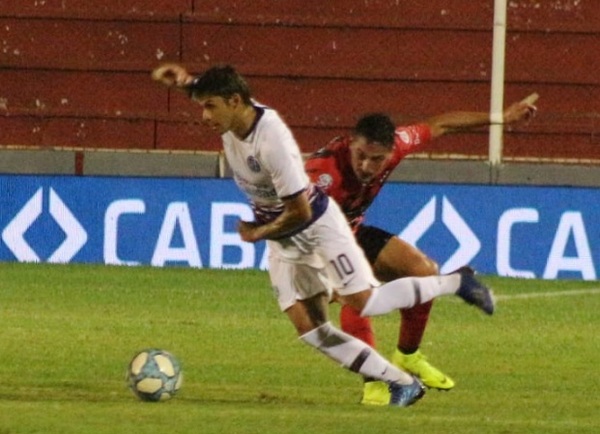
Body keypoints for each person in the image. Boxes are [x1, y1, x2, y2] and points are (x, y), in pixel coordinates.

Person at [151, 62, 495, 407]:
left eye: (210, 106)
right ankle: (400, 382)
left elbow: (300, 211)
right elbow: (220, 92)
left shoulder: (271, 143)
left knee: (365, 301)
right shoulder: (235, 117)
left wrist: (259, 232)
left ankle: (457, 283)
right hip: (284, 236)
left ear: (235, 102)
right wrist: (186, 83)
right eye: (204, 105)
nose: (205, 116)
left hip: (316, 226)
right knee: (312, 330)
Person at [304, 96, 538, 404]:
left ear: (391, 151)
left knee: (424, 272)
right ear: (351, 144)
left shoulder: (400, 143)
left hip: (352, 233)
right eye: (360, 155)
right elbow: (297, 227)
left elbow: (440, 124)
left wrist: (501, 117)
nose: (365, 165)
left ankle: (407, 356)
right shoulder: (322, 174)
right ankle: (376, 384)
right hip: (311, 244)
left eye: (376, 159)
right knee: (358, 293)